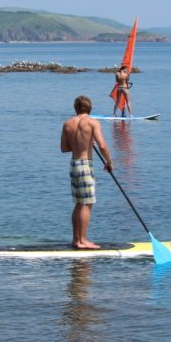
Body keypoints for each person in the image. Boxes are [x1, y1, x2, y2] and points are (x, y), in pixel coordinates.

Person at [60, 95, 113, 249]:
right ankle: (83, 240)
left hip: (74, 164)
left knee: (78, 203)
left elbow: (64, 148)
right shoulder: (92, 122)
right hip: (85, 165)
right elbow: (102, 146)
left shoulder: (67, 123)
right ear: (89, 108)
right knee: (87, 203)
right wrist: (109, 162)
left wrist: (82, 144)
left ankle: (76, 239)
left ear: (76, 108)